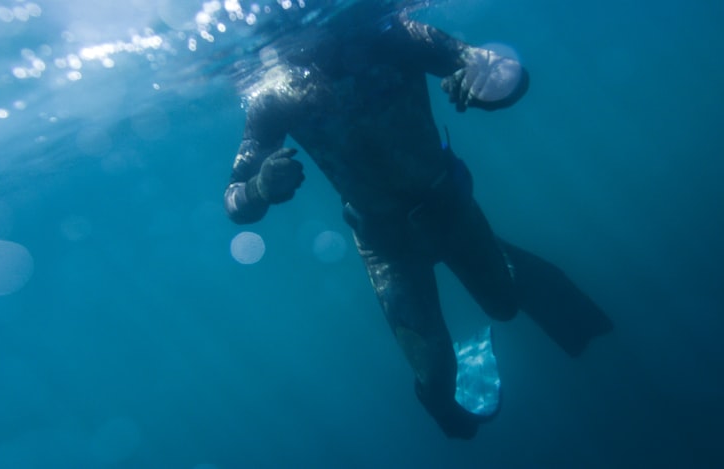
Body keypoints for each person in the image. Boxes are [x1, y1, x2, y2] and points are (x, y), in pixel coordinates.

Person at [222, 1, 612, 439]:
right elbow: (234, 199)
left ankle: (532, 289)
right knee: (437, 376)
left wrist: (490, 84)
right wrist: (259, 188)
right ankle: (453, 409)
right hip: (386, 245)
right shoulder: (273, 96)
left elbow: (502, 71)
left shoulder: (395, 38)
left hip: (449, 210)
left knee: (503, 305)